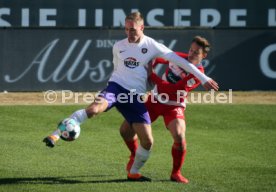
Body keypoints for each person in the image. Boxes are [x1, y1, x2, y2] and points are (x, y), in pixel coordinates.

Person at [43, 12, 218, 182]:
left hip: (153, 100)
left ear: (142, 27)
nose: (129, 33)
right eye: (126, 29)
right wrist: (148, 68)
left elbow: (175, 77)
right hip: (119, 89)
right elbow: (119, 69)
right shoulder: (118, 46)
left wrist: (205, 78)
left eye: (133, 29)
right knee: (94, 109)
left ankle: (135, 173)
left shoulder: (153, 46)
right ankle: (55, 134)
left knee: (150, 140)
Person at [120, 36, 211, 183]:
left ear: (203, 56)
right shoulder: (179, 57)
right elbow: (156, 57)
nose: (191, 54)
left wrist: (151, 75)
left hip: (174, 105)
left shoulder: (198, 74)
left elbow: (171, 88)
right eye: (191, 50)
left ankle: (176, 173)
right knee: (125, 130)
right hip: (154, 100)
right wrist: (151, 64)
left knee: (180, 137)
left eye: (196, 53)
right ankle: (134, 154)